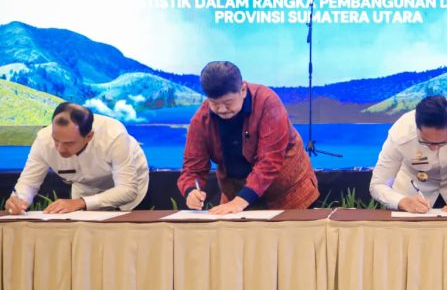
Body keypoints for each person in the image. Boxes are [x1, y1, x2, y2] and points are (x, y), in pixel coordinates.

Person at [178, 61, 318, 213]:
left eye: (228, 102)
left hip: (287, 192)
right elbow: (193, 168)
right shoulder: (201, 120)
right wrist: (191, 191)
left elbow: (269, 162)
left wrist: (239, 203)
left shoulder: (268, 103)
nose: (222, 109)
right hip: (235, 195)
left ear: (243, 90)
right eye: (214, 103)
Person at [5, 102, 149, 214]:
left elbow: (127, 189)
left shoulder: (114, 135)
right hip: (84, 192)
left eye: (69, 143)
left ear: (89, 136)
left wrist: (80, 202)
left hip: (131, 192)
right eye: (56, 140)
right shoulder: (43, 140)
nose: (60, 149)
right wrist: (19, 200)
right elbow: (29, 183)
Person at [370, 95, 447, 213]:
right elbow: (378, 184)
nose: (434, 148)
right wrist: (402, 201)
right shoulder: (400, 134)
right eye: (426, 142)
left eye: (443, 142)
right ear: (417, 128)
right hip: (414, 195)